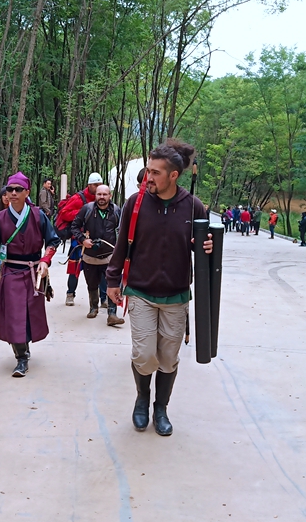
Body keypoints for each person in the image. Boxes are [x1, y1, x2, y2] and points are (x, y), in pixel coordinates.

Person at [106, 139, 212, 437]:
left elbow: (205, 252)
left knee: (168, 358)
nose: (148, 177)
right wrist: (113, 280)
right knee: (144, 355)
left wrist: (207, 246)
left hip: (176, 295)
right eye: (148, 171)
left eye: (155, 172)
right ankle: (142, 399)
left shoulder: (193, 206)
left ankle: (160, 408)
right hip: (140, 291)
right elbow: (122, 243)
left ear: (173, 175)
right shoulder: (135, 203)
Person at [0, 172, 60, 377]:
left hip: (34, 271)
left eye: (18, 189)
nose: (13, 193)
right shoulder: (0, 218)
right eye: (10, 189)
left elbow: (53, 241)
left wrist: (45, 260)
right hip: (11, 271)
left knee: (29, 314)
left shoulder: (38, 215)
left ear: (27, 192)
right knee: (14, 314)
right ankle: (21, 357)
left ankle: (25, 347)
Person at [71, 184, 123, 326]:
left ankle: (112, 313)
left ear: (110, 195)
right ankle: (93, 307)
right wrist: (83, 239)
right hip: (90, 256)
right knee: (92, 284)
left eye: (105, 194)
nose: (102, 197)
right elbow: (74, 226)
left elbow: (123, 231)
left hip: (110, 256)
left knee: (113, 284)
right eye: (99, 194)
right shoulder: (87, 209)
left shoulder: (116, 211)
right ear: (95, 195)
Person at [56, 173, 101, 306]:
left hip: (95, 238)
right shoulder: (78, 198)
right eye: (95, 185)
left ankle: (102, 298)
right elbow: (64, 213)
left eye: (99, 185)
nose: (98, 187)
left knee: (100, 268)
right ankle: (70, 294)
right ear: (89, 185)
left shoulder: (101, 198)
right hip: (78, 238)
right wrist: (83, 213)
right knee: (74, 268)